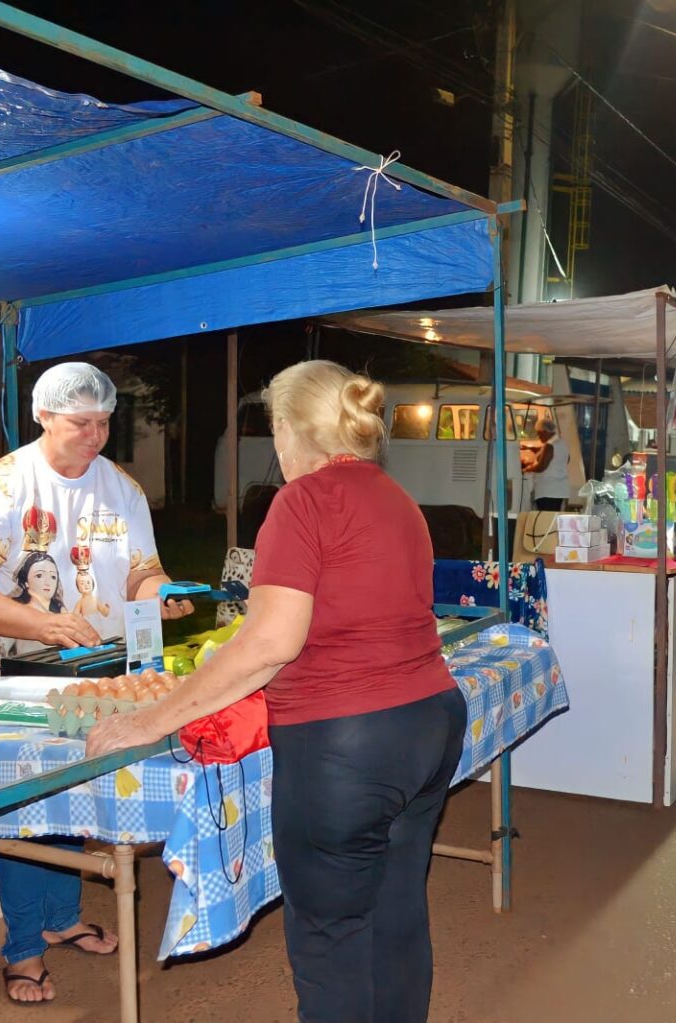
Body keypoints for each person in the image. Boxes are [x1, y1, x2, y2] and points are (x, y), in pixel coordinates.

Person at [88, 360, 466, 1023]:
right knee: (396, 915)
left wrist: (151, 720)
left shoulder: (303, 500)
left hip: (349, 744)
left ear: (289, 428)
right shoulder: (396, 498)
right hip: (429, 721)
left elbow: (269, 642)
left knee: (331, 938)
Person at [0, 363, 195, 1005]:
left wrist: (162, 593)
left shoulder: (121, 487)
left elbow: (141, 573)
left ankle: (61, 918)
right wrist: (42, 623)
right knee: (27, 807)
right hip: (19, 677)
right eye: (82, 423)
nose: (96, 435)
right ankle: (23, 947)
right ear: (44, 415)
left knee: (75, 792)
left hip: (99, 671)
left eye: (104, 422)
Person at [524, 418, 571, 511]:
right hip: (559, 489)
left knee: (545, 516)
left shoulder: (549, 445)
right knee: (553, 516)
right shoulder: (561, 443)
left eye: (539, 434)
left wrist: (527, 469)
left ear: (544, 432)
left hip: (547, 491)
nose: (539, 437)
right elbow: (567, 459)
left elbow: (541, 467)